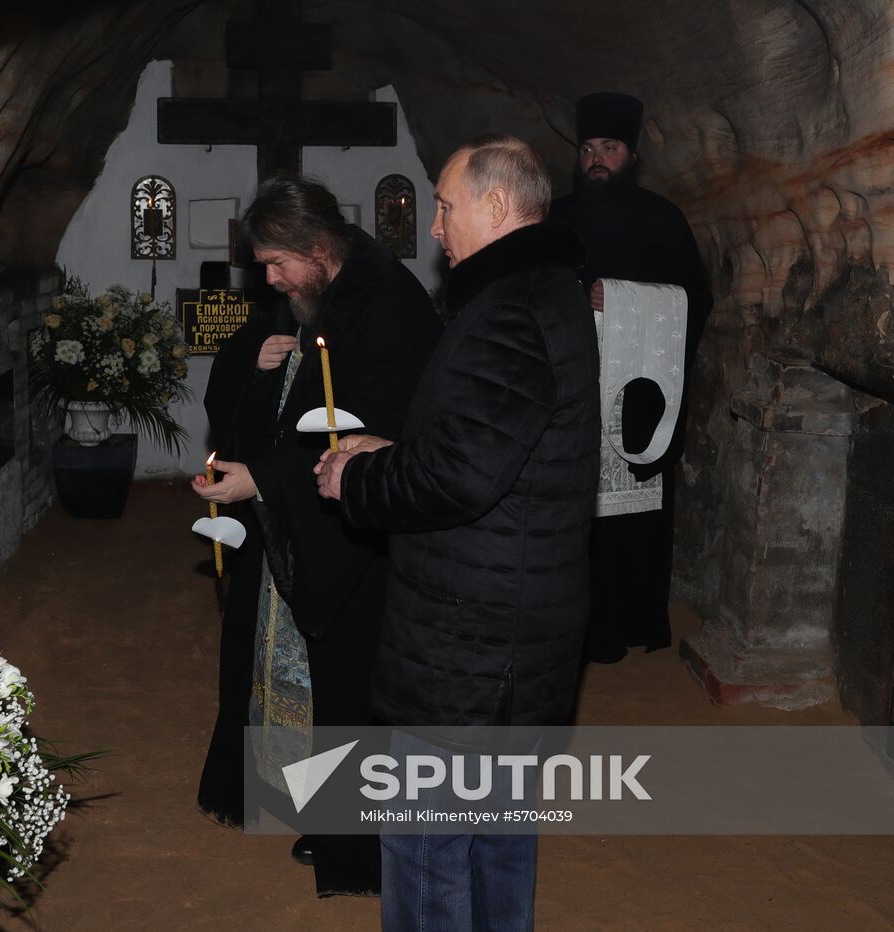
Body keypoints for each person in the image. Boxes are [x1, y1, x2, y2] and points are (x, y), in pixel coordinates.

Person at [315, 135, 600, 930]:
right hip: (513, 625)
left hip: (469, 647)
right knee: (497, 836)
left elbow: (459, 479)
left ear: (497, 207)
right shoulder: (546, 293)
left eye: (445, 206)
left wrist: (358, 477)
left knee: (426, 846)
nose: (435, 228)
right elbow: (497, 445)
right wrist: (395, 447)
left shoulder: (506, 311)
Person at [193, 174, 441, 896]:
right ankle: (297, 794)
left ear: (320, 246)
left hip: (360, 540)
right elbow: (258, 377)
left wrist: (262, 481)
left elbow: (372, 428)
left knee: (351, 681)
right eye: (264, 266)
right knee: (286, 673)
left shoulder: (388, 305)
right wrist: (257, 361)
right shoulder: (310, 291)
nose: (269, 280)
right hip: (298, 527)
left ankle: (352, 833)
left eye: (277, 265)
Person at [549, 91, 713, 662]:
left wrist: (623, 299)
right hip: (571, 394)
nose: (597, 159)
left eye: (609, 148)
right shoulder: (557, 220)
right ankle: (581, 630)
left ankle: (633, 621)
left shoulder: (662, 219)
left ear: (632, 155)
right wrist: (576, 298)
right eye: (589, 148)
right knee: (575, 514)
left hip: (637, 398)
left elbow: (697, 298)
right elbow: (530, 294)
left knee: (633, 518)